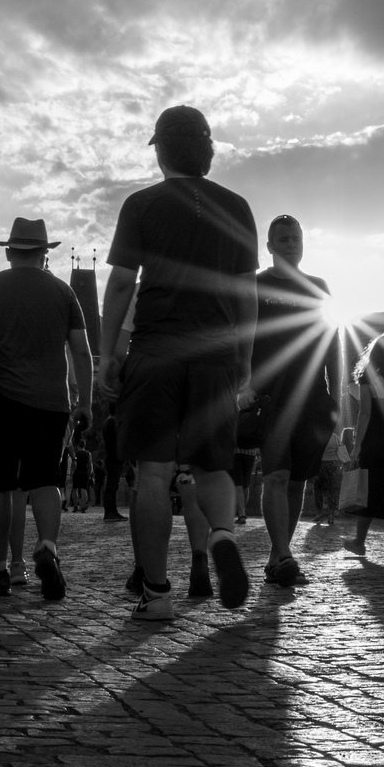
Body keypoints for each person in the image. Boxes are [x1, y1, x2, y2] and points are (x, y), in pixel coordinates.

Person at [98, 105, 257, 620]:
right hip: (216, 352)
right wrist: (245, 363)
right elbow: (247, 297)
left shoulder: (142, 204)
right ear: (207, 152)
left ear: (161, 151)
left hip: (156, 349)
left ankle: (158, 593)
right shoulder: (237, 206)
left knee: (153, 473)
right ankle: (224, 534)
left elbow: (122, 281)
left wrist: (107, 355)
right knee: (211, 466)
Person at [0, 219, 93, 600]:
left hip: (1, 403)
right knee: (45, 480)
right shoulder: (64, 292)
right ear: (46, 253)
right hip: (51, 404)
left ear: (10, 252)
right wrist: (86, 403)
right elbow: (81, 351)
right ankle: (48, 546)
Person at [250, 214, 338, 588]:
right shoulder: (255, 286)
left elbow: (331, 342)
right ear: (269, 246)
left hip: (313, 395)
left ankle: (277, 556)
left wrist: (336, 396)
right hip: (269, 394)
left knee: (297, 479)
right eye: (283, 239)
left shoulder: (318, 286)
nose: (290, 244)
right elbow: (244, 337)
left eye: (296, 238)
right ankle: (284, 554)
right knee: (276, 474)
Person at [342, 334, 384, 558]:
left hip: (375, 442)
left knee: (367, 492)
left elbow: (365, 413)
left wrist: (357, 445)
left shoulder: (369, 379)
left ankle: (359, 542)